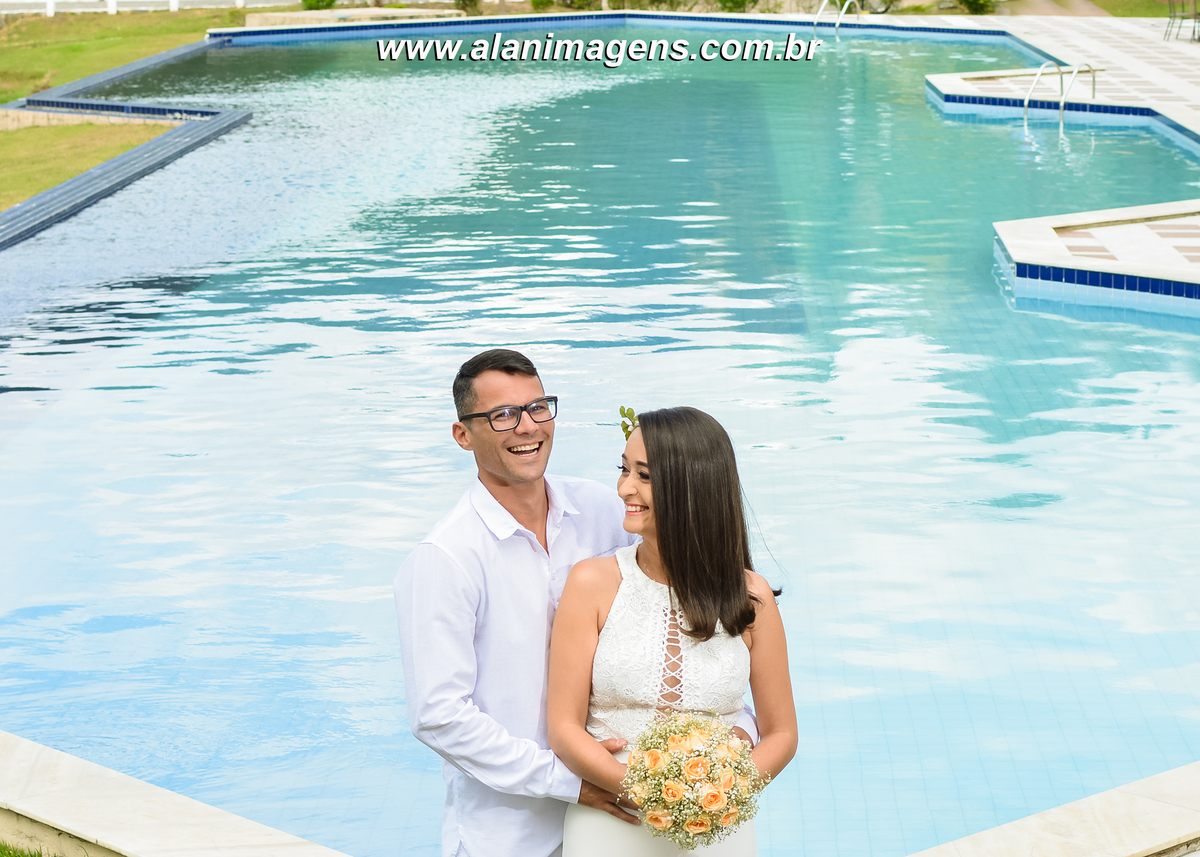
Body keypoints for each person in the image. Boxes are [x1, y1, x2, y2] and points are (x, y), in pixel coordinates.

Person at [393, 348, 639, 857]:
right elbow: (439, 715)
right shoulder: (446, 558)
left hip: (620, 819)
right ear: (463, 434)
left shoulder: (600, 509)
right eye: (502, 415)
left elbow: (674, 611)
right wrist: (569, 780)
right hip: (511, 836)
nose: (527, 427)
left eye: (538, 407)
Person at [547, 407, 798, 856]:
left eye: (643, 476)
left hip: (717, 821)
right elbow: (564, 727)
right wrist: (644, 791)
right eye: (624, 470)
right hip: (613, 813)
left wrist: (723, 791)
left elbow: (782, 734)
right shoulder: (591, 583)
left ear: (690, 487)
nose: (624, 488)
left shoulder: (751, 596)